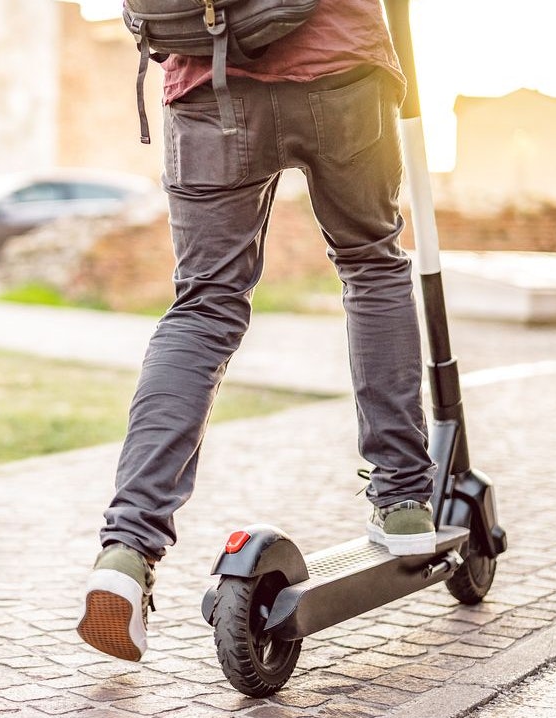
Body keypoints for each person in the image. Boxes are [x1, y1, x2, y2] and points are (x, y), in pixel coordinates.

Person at [76, 0, 437, 662]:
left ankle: (126, 551)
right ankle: (406, 496)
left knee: (204, 306)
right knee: (372, 266)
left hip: (206, 80)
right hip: (342, 70)